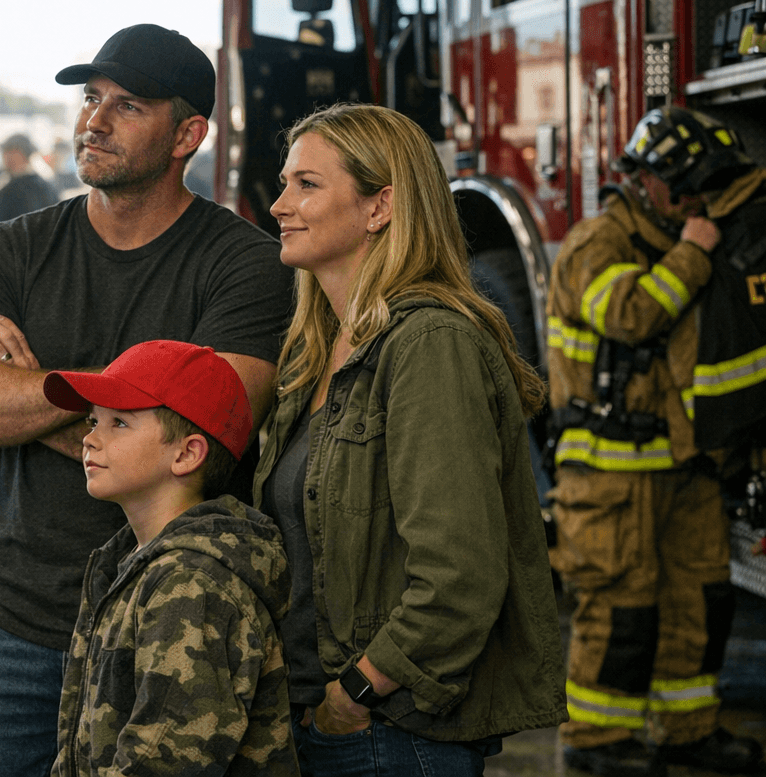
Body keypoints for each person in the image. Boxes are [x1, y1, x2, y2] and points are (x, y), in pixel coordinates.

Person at [0, 22, 294, 776]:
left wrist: (30, 389)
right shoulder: (14, 249)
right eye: (91, 98)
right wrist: (130, 414)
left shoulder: (245, 267)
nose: (93, 120)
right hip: (11, 623)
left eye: (127, 105)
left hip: (166, 625)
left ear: (188, 132)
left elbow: (208, 440)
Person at [250, 102, 564, 777]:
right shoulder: (319, 351)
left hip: (392, 736)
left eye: (307, 184)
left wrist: (358, 690)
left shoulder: (429, 343)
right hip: (323, 723)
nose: (279, 204)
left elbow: (460, 574)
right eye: (285, 183)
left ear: (380, 206)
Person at [547, 105, 764, 777]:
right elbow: (633, 316)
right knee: (621, 609)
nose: (698, 201)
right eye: (689, 187)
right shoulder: (599, 243)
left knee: (698, 601)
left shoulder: (680, 237)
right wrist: (696, 251)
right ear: (651, 180)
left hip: (686, 463)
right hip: (611, 473)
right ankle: (596, 744)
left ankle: (686, 730)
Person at [45, 340, 298, 777]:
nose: (90, 438)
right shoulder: (130, 560)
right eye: (93, 420)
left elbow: (166, 761)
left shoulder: (192, 583)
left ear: (186, 454)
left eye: (118, 423)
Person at [0, 133, 59, 227]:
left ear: (24, 155)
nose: (6, 156)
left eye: (11, 152)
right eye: (5, 151)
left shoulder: (37, 188)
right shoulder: (3, 184)